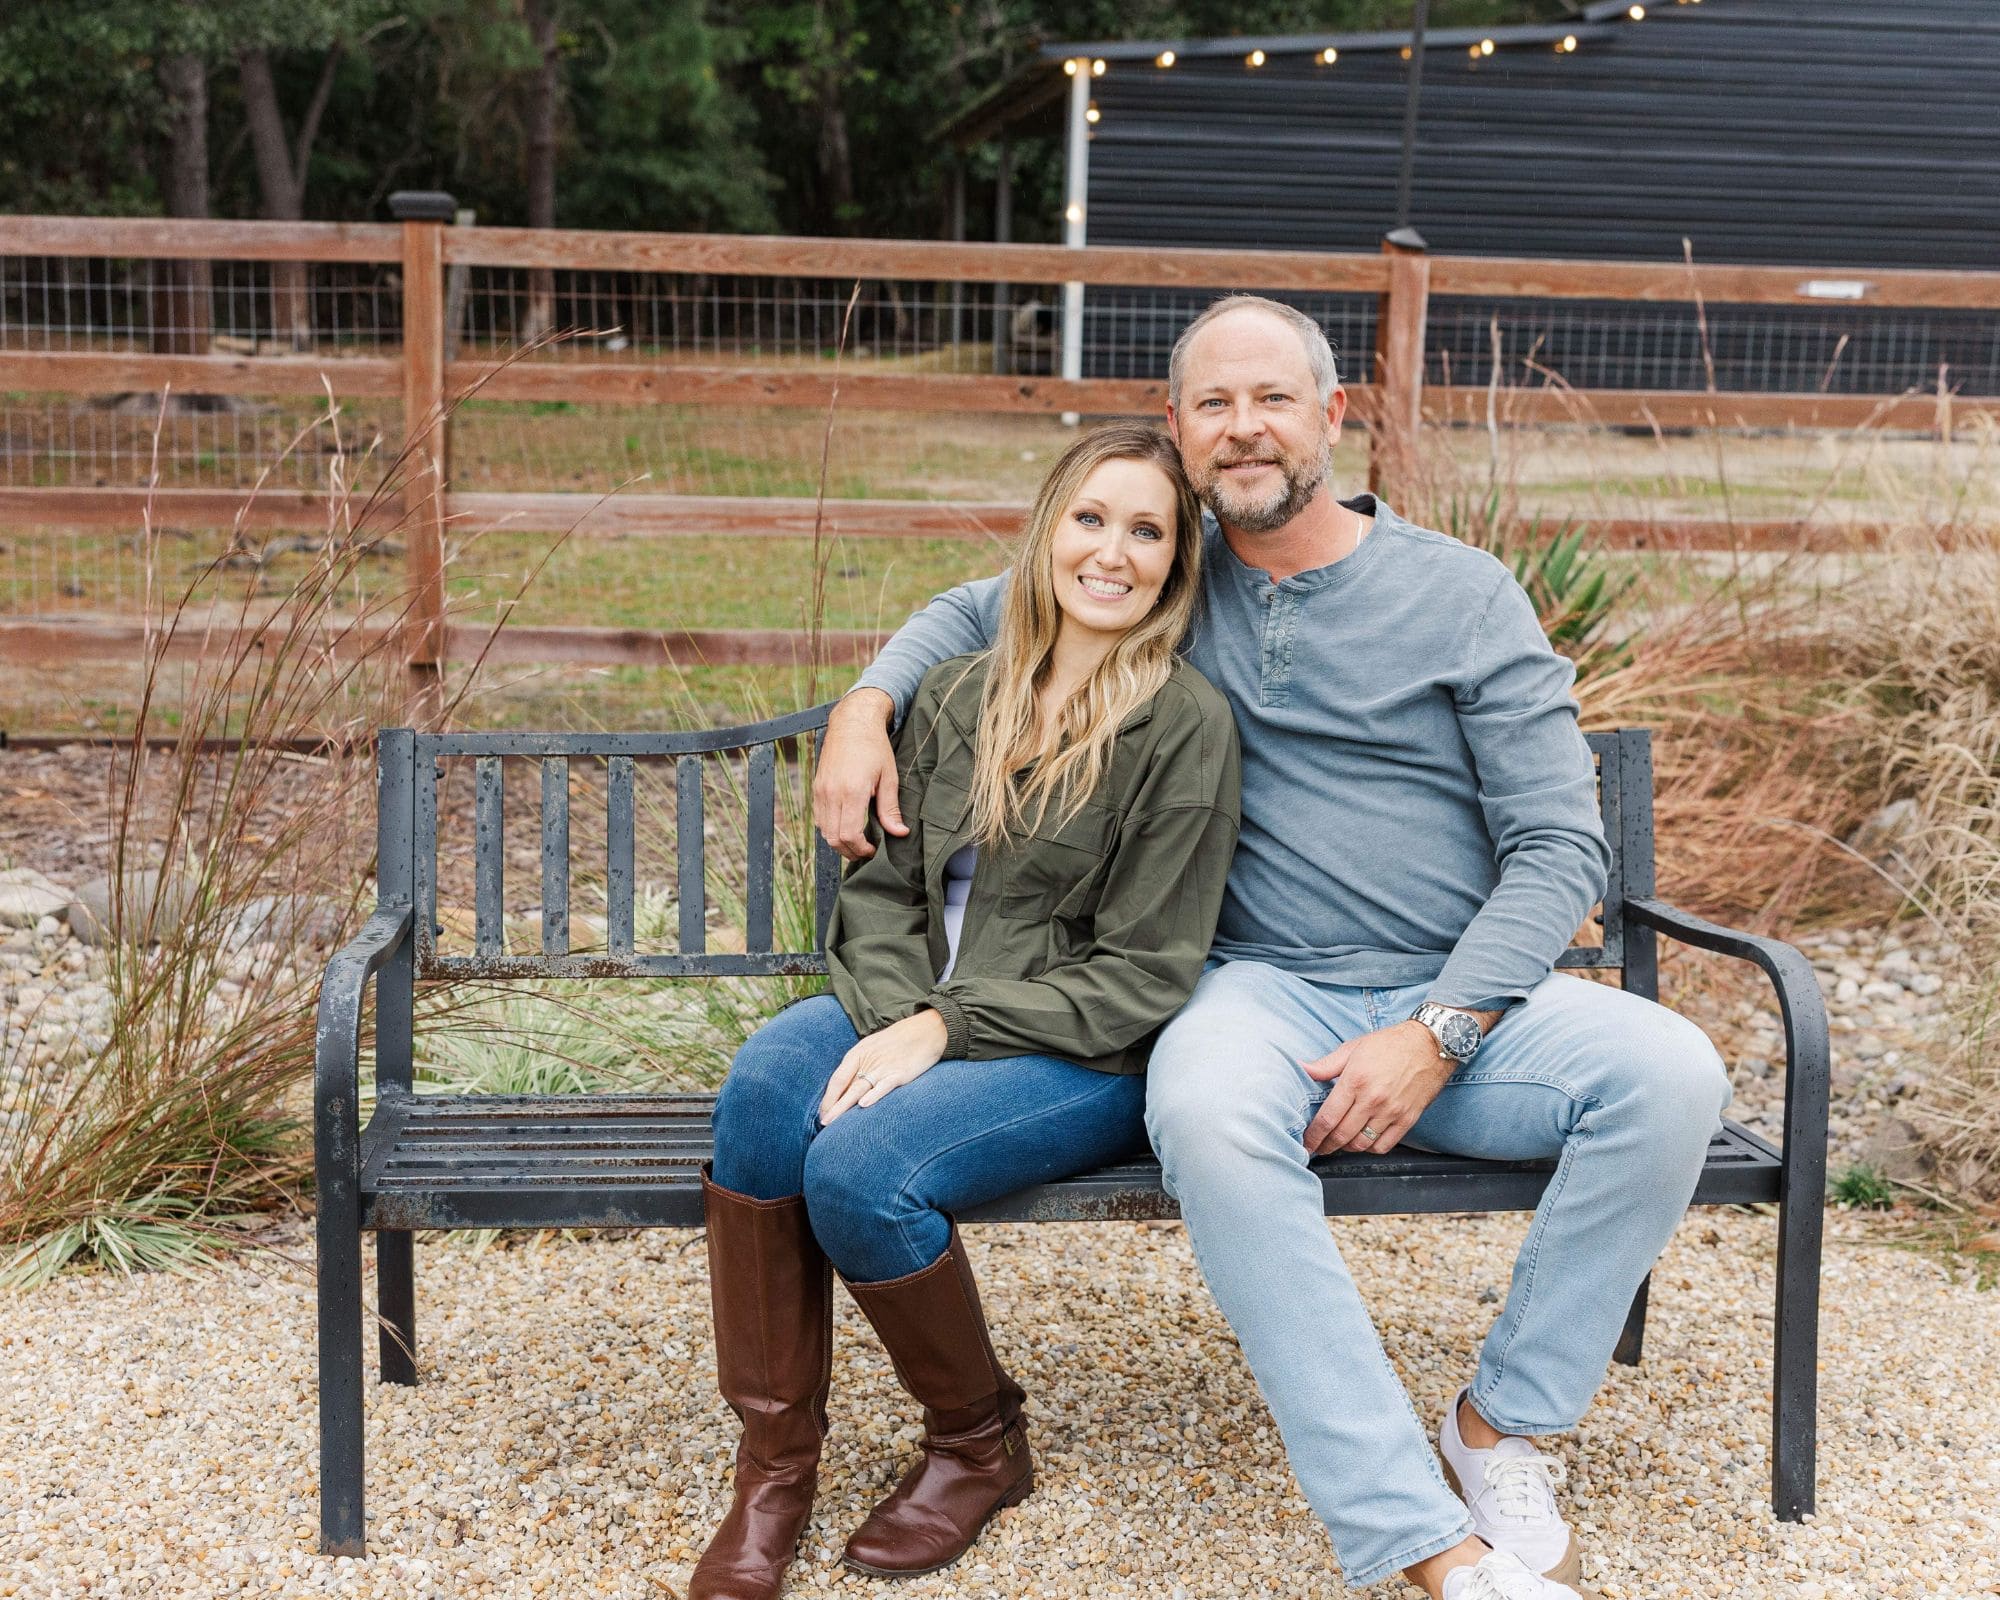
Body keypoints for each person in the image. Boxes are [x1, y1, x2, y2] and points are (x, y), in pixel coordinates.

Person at [812, 296, 1731, 1600]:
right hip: (1264, 989)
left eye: (1273, 400)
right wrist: (865, 708)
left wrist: (1440, 1031)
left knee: (1676, 1073)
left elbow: (1558, 853)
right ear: (1181, 432)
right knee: (1200, 1105)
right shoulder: (1170, 572)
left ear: (1332, 416)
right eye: (1213, 406)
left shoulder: (1462, 594)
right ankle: (1421, 1541)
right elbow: (978, 610)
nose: (1244, 429)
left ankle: (1501, 1424)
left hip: (1466, 993)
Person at [692, 422, 1242, 1600]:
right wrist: (903, 1014)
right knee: (760, 1099)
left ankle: (974, 1443)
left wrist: (940, 1030)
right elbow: (879, 893)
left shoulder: (1180, 725)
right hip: (896, 1002)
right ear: (1047, 533)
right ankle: (774, 1467)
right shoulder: (952, 696)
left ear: (1174, 564)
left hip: (1074, 1046)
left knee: (861, 1171)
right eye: (1090, 519)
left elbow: (1144, 970)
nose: (1112, 551)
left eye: (1146, 530)